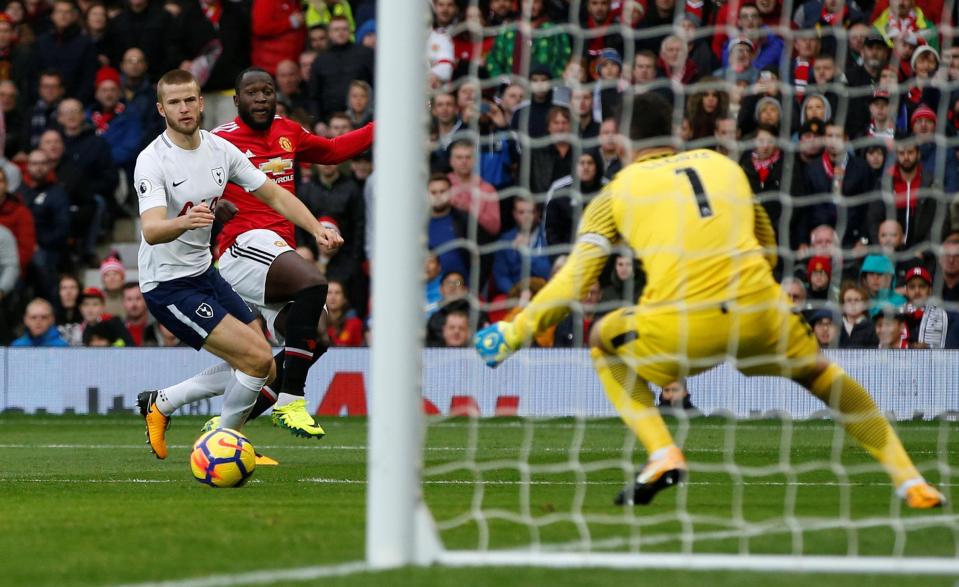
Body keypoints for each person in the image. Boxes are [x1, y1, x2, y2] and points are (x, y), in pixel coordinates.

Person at [474, 92, 944, 509]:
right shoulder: (725, 166)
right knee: (824, 377)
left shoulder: (615, 192)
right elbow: (765, 243)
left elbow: (575, 280)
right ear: (675, 133)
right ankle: (911, 481)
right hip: (758, 311)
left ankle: (662, 452)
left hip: (684, 326)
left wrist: (514, 331)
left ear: (618, 142)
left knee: (601, 338)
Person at [139, 68, 371, 449]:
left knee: (267, 358)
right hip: (169, 282)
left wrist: (315, 228)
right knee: (259, 352)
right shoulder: (152, 160)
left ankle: (167, 404)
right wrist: (184, 222)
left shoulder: (220, 150)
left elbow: (276, 195)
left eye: (189, 100)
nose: (183, 108)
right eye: (174, 102)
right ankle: (264, 417)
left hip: (206, 272)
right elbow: (150, 229)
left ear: (201, 102)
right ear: (161, 109)